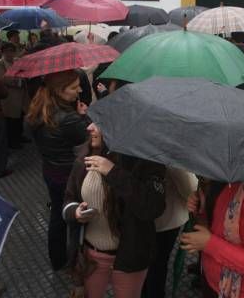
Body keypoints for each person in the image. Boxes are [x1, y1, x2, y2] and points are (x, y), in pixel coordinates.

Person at [63, 123, 166, 298]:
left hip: (130, 257)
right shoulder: (84, 157)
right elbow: (68, 199)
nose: (89, 127)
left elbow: (151, 208)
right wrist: (75, 212)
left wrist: (112, 171)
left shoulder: (146, 161)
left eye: (99, 123)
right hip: (92, 256)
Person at [27, 70, 89, 270]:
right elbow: (85, 140)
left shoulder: (38, 108)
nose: (79, 90)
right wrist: (83, 117)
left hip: (50, 171)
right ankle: (76, 263)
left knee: (57, 215)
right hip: (70, 177)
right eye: (74, 87)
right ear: (59, 90)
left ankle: (57, 259)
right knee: (74, 219)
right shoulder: (68, 118)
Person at [144, 168, 197, 298]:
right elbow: (190, 188)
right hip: (166, 220)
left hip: (146, 217)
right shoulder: (173, 153)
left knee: (149, 264)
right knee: (158, 266)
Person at [0, 43, 29, 149]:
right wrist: (19, 80)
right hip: (9, 97)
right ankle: (13, 141)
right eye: (7, 51)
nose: (9, 53)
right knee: (11, 121)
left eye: (11, 51)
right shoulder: (0, 64)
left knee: (20, 117)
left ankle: (19, 136)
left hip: (21, 95)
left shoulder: (17, 61)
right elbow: (2, 79)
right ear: (3, 52)